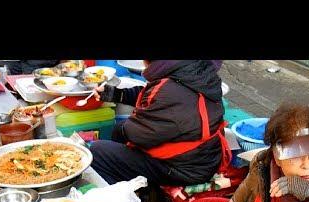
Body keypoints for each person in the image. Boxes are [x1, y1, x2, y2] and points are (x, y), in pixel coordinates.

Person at [90, 60, 229, 186]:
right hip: (204, 157)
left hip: (186, 169)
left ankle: (135, 195)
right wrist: (115, 94)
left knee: (98, 151)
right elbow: (151, 95)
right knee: (119, 132)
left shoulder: (171, 89)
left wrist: (122, 129)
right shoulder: (193, 71)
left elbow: (139, 134)